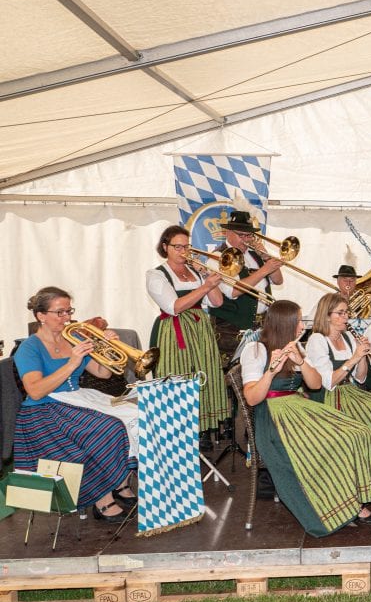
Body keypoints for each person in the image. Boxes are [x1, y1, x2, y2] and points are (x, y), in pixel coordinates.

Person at [240, 300, 371, 534]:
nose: (303, 326)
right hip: (274, 418)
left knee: (357, 433)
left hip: (298, 408)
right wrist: (271, 371)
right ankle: (343, 507)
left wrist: (301, 362)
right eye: (298, 321)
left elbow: (316, 384)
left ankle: (348, 500)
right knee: (333, 441)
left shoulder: (298, 348)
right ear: (285, 324)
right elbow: (252, 398)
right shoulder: (255, 350)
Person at [14, 287, 134, 522]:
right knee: (107, 428)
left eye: (69, 311)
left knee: (134, 415)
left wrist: (109, 351)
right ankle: (102, 499)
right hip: (44, 410)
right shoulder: (29, 348)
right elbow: (35, 390)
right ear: (41, 316)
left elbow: (102, 374)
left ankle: (119, 483)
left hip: (76, 399)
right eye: (59, 312)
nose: (67, 318)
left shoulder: (73, 337)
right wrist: (71, 362)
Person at [146, 225, 232, 447]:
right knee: (179, 374)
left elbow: (218, 302)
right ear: (165, 247)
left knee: (204, 374)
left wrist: (205, 276)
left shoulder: (195, 271)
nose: (183, 251)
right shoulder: (156, 274)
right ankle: (178, 430)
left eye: (187, 246)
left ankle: (202, 429)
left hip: (199, 329)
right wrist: (204, 288)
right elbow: (174, 306)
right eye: (177, 246)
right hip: (174, 331)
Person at [305, 292, 371, 483]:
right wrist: (354, 358)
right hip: (329, 396)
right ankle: (369, 477)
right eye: (340, 313)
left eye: (347, 313)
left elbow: (360, 378)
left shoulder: (349, 337)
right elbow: (328, 382)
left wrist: (363, 356)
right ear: (327, 315)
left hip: (350, 391)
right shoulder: (317, 340)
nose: (346, 317)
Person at [207, 210, 284, 361]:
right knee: (233, 377)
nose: (246, 240)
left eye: (249, 235)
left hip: (261, 327)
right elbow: (233, 291)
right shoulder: (217, 257)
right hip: (231, 331)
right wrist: (264, 270)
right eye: (241, 235)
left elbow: (278, 280)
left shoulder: (255, 254)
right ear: (227, 232)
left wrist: (267, 257)